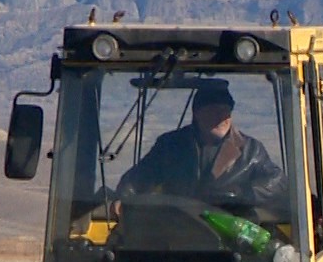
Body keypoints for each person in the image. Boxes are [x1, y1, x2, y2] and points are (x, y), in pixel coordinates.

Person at [115, 83, 286, 207]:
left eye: (224, 111)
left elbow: (277, 182)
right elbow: (139, 177)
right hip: (178, 233)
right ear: (196, 113)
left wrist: (241, 193)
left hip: (231, 239)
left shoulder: (251, 150)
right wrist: (123, 198)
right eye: (212, 111)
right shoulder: (170, 146)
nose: (220, 118)